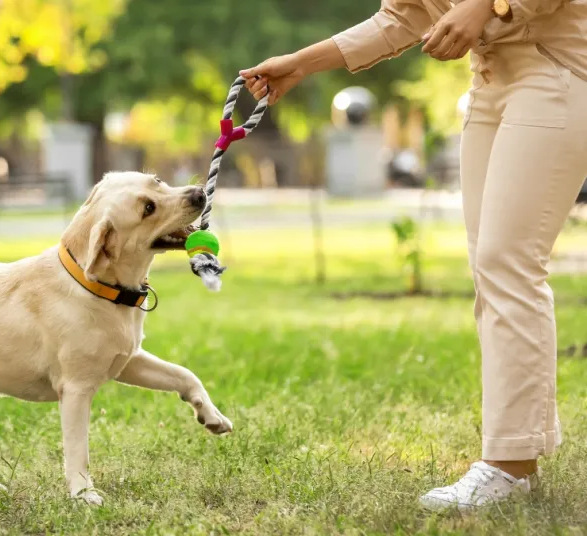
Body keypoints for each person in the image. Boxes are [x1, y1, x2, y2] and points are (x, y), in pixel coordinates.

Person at [241, 0, 587, 510]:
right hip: (491, 82)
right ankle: (519, 457)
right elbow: (403, 16)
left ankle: (508, 467)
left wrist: (484, 6)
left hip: (557, 70)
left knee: (507, 263)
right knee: (490, 270)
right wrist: (301, 62)